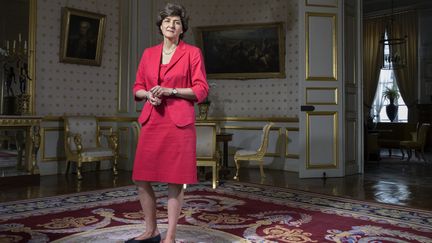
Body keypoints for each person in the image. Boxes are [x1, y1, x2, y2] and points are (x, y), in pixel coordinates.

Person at [128, 3, 208, 243]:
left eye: (176, 22)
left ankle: (170, 235)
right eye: (167, 22)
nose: (171, 25)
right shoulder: (148, 53)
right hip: (153, 121)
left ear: (182, 28)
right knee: (140, 178)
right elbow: (137, 87)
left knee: (175, 181)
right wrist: (148, 95)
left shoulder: (192, 53)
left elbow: (201, 89)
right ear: (160, 26)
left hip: (179, 124)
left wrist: (171, 90)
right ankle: (151, 230)